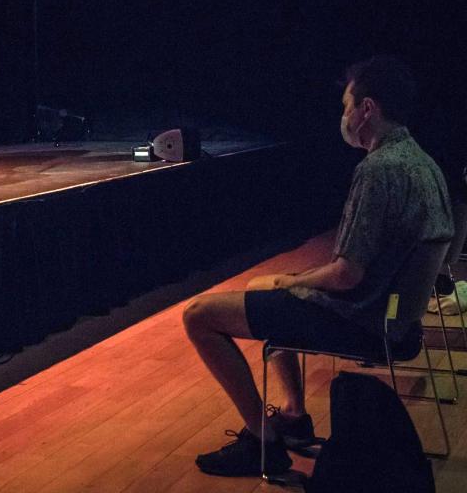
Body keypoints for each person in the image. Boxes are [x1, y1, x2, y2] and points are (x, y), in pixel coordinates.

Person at [182, 55, 454, 477]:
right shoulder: (425, 164)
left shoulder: (379, 170)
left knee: (199, 316)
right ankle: (293, 415)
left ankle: (263, 443)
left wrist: (296, 281)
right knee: (263, 282)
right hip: (396, 320)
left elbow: (347, 274)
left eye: (347, 106)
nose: (343, 116)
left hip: (362, 319)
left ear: (367, 110)